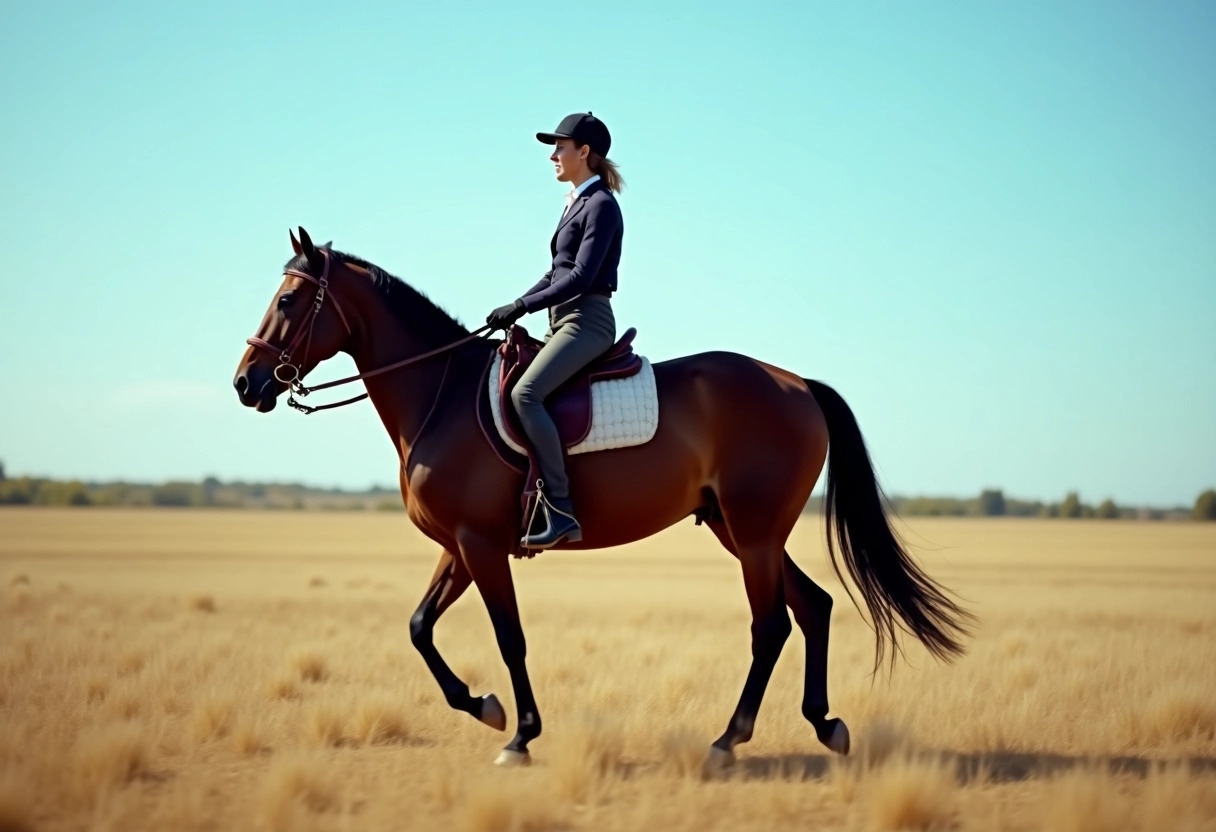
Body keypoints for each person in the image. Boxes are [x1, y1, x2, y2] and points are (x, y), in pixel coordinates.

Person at [486, 111, 625, 549]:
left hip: (587, 321)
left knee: (525, 394)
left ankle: (561, 510)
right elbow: (555, 274)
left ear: (585, 152)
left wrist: (523, 305)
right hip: (562, 319)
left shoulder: (601, 204)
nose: (553, 156)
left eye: (561, 147)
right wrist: (516, 306)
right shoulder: (575, 203)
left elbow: (581, 277)